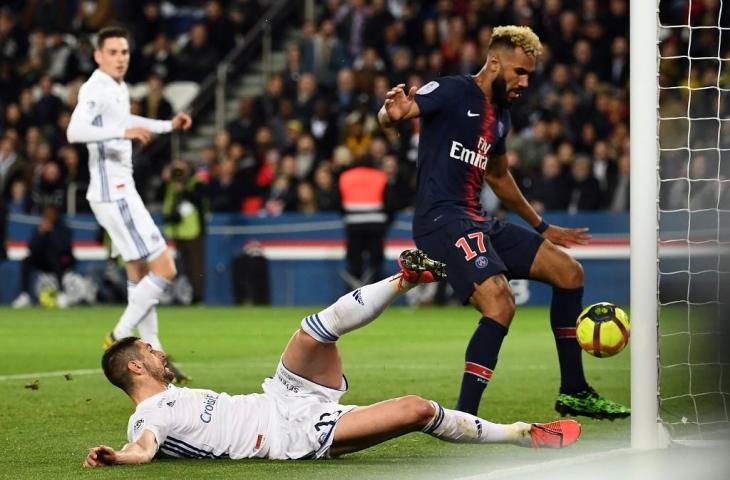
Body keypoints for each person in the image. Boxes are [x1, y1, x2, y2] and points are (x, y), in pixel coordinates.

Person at [83, 250, 580, 467]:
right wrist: (118, 456)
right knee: (417, 410)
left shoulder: (172, 394)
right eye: (150, 348)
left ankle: (403, 280)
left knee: (312, 330)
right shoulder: (147, 416)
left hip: (279, 395)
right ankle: (519, 433)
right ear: (133, 367)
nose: (160, 349)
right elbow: (145, 447)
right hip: (292, 434)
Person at [377, 26, 630, 419]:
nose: (524, 82)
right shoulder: (451, 90)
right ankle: (465, 417)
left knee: (569, 272)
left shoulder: (501, 116)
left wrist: (542, 226)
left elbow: (497, 176)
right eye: (518, 72)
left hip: (476, 220)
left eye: (529, 74)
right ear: (494, 61)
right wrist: (387, 113)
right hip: (440, 220)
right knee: (500, 302)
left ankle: (574, 391)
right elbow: (399, 111)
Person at [66, 26, 193, 382]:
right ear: (98, 55)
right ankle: (120, 333)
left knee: (138, 274)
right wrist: (121, 133)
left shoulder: (118, 88)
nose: (120, 58)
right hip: (114, 193)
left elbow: (126, 122)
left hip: (118, 190)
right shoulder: (95, 88)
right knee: (165, 268)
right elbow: (74, 131)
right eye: (113, 52)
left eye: (124, 52)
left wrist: (168, 125)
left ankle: (156, 358)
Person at [11, 204, 74, 308]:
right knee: (27, 261)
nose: (48, 216)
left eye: (51, 214)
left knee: (53, 258)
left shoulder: (63, 228)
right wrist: (41, 233)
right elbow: (31, 248)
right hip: (43, 260)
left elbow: (62, 248)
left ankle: (62, 294)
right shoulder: (40, 227)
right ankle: (24, 295)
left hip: (61, 260)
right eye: (46, 214)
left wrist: (52, 231)